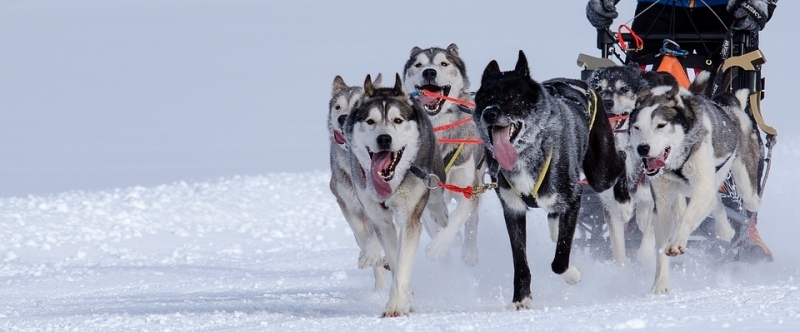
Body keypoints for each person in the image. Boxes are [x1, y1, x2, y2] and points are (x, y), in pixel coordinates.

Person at [584, 0, 778, 262]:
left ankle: (748, 220)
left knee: (732, 105)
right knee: (635, 99)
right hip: (657, 8)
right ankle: (630, 194)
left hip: (724, 10)